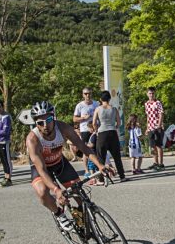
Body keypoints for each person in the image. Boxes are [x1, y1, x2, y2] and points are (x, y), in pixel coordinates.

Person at [26, 100, 114, 234]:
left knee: (79, 195)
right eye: (40, 122)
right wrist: (56, 190)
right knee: (42, 192)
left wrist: (100, 165)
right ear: (35, 123)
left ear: (53, 118)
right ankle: (59, 214)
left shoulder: (63, 128)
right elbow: (42, 170)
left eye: (48, 120)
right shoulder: (33, 139)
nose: (45, 125)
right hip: (42, 169)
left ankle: (81, 224)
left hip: (59, 163)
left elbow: (83, 147)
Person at [92, 90, 126, 181]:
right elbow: (119, 122)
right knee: (117, 156)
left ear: (100, 99)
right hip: (112, 133)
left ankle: (101, 179)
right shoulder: (114, 109)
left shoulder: (98, 109)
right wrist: (115, 127)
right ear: (109, 99)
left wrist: (96, 130)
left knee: (101, 157)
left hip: (102, 133)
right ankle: (122, 176)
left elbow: (94, 122)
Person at [73, 88, 100, 177]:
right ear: (83, 95)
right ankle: (86, 170)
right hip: (85, 130)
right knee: (85, 150)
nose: (87, 95)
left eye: (89, 93)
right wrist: (83, 118)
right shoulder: (80, 105)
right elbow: (74, 119)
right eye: (86, 94)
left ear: (91, 94)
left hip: (95, 129)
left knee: (97, 149)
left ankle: (97, 168)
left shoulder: (96, 104)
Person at [144, 87, 166, 171]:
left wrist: (159, 125)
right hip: (150, 127)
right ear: (147, 94)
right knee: (152, 146)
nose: (151, 95)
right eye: (150, 93)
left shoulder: (157, 103)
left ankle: (161, 163)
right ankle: (155, 162)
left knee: (158, 145)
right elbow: (148, 116)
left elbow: (161, 114)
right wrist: (147, 127)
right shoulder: (146, 104)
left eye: (153, 93)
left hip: (157, 126)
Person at [0, 100, 13, 186]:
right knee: (3, 161)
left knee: (7, 160)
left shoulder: (6, 116)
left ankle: (9, 179)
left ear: (2, 106)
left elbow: (6, 131)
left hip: (5, 142)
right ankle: (5, 177)